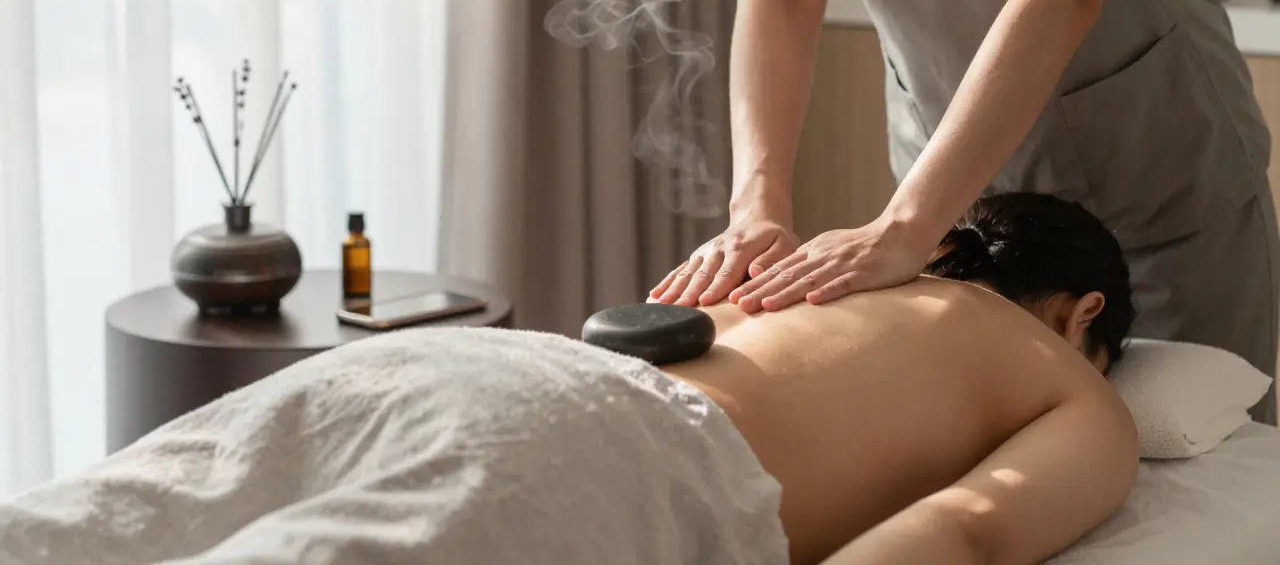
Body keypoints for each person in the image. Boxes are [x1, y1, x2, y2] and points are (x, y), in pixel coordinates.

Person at [0, 193, 1138, 564]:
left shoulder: (828, 270)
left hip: (443, 367)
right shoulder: (1070, 384)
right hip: (614, 447)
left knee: (89, 527)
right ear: (1082, 311)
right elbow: (964, 533)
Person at [650, 0, 1280, 425]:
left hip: (1152, 180)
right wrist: (756, 208)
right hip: (960, 210)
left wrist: (905, 228)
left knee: (1184, 447)